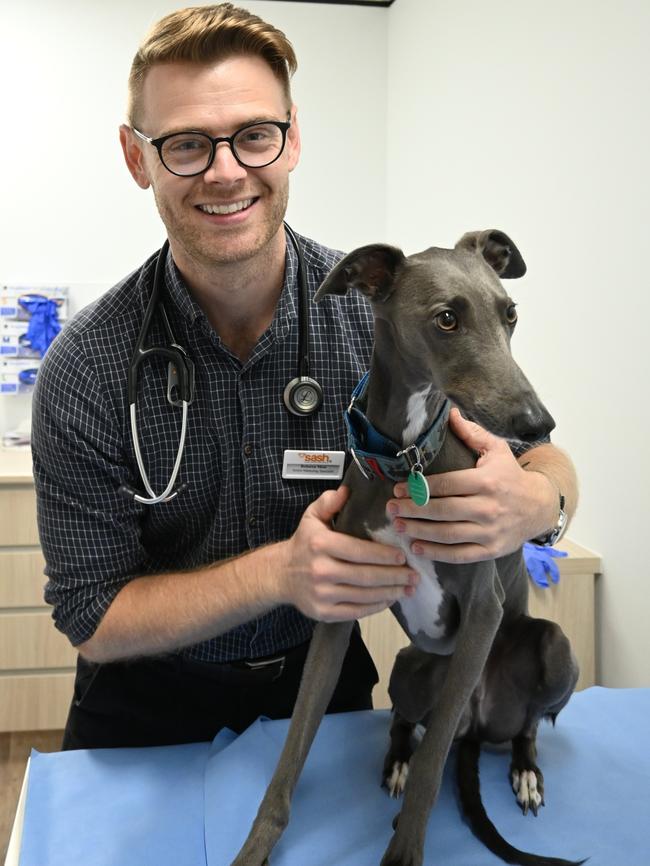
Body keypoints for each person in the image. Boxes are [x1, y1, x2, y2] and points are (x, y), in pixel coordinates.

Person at [31, 3, 578, 751]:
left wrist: (539, 503)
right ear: (137, 159)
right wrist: (278, 575)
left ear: (292, 140)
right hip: (140, 706)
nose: (227, 172)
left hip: (320, 688)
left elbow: (538, 456)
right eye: (187, 144)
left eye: (255, 136)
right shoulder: (88, 368)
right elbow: (89, 618)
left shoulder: (385, 316)